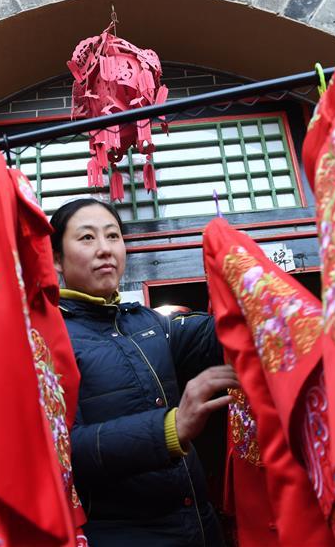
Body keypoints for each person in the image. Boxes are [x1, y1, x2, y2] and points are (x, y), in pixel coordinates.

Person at [50, 198, 238, 547]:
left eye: (113, 236)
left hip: (200, 526)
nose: (105, 249)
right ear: (57, 258)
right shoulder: (49, 337)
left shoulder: (147, 322)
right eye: (87, 238)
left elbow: (224, 335)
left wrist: (250, 282)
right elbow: (62, 452)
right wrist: (170, 428)